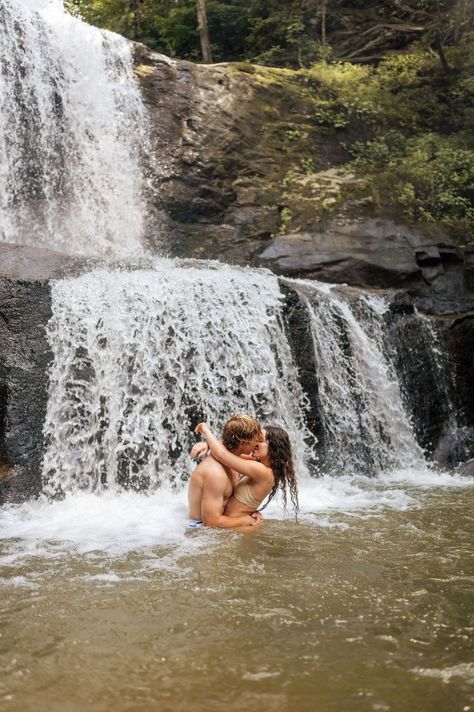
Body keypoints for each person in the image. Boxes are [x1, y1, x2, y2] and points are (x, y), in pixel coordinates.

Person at [194, 421, 299, 522]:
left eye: (260, 439)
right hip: (235, 525)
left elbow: (222, 455)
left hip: (238, 528)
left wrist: (205, 430)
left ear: (273, 447)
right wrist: (207, 444)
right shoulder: (263, 466)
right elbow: (233, 450)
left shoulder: (262, 471)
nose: (255, 442)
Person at [187, 414, 265, 529]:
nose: (260, 442)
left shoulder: (234, 458)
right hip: (200, 532)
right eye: (256, 438)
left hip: (216, 525)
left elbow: (263, 460)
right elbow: (211, 522)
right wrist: (245, 520)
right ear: (243, 442)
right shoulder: (215, 473)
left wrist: (208, 444)